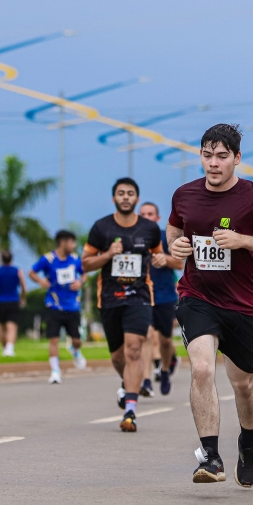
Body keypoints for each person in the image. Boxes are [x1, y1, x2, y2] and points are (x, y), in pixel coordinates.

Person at [167, 123, 253, 485]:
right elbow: (175, 227)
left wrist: (243, 241)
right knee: (202, 369)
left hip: (243, 305)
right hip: (197, 297)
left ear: (237, 158)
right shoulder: (184, 195)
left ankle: (249, 440)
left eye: (222, 156)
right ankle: (210, 457)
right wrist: (175, 245)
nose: (214, 163)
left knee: (244, 383)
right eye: (207, 155)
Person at [83, 177, 164, 432]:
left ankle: (130, 411)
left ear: (136, 199)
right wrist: (108, 254)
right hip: (109, 298)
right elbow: (85, 263)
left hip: (139, 297)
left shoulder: (149, 229)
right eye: (121, 193)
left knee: (133, 350)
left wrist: (162, 260)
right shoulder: (101, 228)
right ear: (114, 198)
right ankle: (126, 382)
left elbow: (159, 255)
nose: (125, 197)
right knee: (119, 357)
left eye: (130, 193)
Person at [30, 230, 87, 384]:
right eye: (72, 242)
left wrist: (80, 282)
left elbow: (84, 273)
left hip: (72, 306)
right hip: (53, 305)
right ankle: (55, 371)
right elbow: (32, 272)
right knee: (53, 339)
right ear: (63, 242)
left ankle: (75, 350)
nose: (74, 245)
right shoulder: (48, 259)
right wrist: (41, 281)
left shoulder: (75, 259)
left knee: (76, 340)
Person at [138, 201, 178, 396]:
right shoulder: (133, 238)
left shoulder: (165, 237)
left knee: (165, 340)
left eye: (150, 214)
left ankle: (164, 369)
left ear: (158, 218)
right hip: (141, 295)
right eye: (143, 214)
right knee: (146, 336)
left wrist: (165, 259)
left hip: (165, 295)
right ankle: (146, 380)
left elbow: (179, 263)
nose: (146, 217)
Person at [0, 251, 26, 357]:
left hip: (1, 302)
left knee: (3, 327)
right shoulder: (18, 271)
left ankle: (4, 349)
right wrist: (22, 298)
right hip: (14, 301)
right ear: (11, 259)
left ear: (2, 259)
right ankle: (9, 349)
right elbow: (23, 287)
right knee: (12, 327)